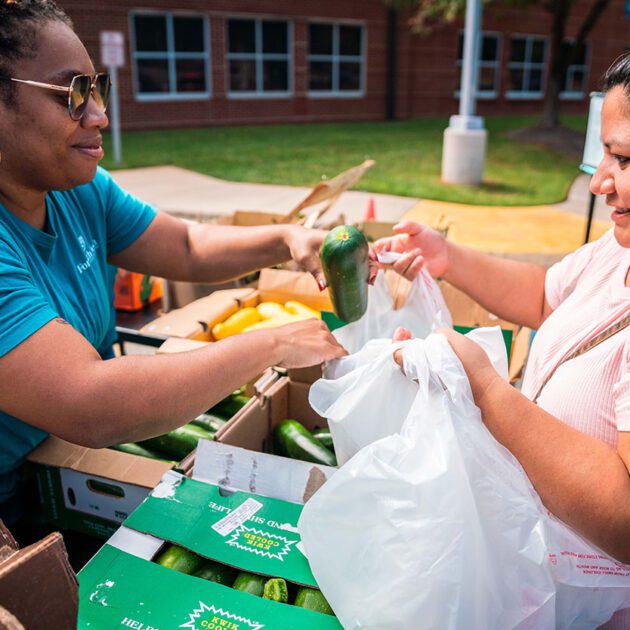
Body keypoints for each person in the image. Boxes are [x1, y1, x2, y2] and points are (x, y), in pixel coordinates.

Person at [0, 0, 347, 517]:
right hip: (19, 518)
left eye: (97, 88)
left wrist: (288, 239)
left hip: (79, 469)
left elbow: (186, 245)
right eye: (72, 93)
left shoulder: (76, 190)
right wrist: (271, 343)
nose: (99, 114)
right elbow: (89, 403)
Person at [376, 55, 630, 629]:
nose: (598, 182)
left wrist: (487, 392)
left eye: (624, 158)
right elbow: (546, 296)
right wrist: (448, 257)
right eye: (604, 153)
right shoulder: (618, 247)